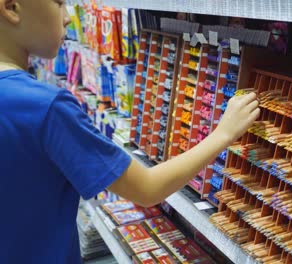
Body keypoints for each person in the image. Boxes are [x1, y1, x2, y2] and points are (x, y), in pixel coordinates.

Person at [0, 0, 260, 263]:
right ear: (11, 8)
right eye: (58, 3)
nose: (68, 17)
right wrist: (223, 133)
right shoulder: (46, 108)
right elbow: (146, 189)